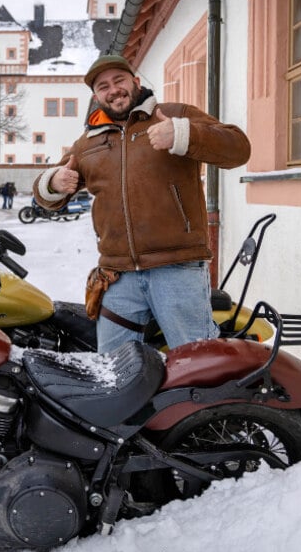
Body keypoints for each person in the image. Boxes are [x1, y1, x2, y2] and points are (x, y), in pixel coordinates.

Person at [32, 55, 251, 354]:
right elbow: (44, 195)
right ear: (97, 96)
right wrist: (55, 182)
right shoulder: (89, 142)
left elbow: (238, 148)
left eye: (119, 80)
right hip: (117, 276)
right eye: (103, 86)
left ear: (136, 82)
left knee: (196, 365)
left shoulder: (174, 114)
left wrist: (184, 133)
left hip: (176, 269)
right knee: (113, 371)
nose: (113, 90)